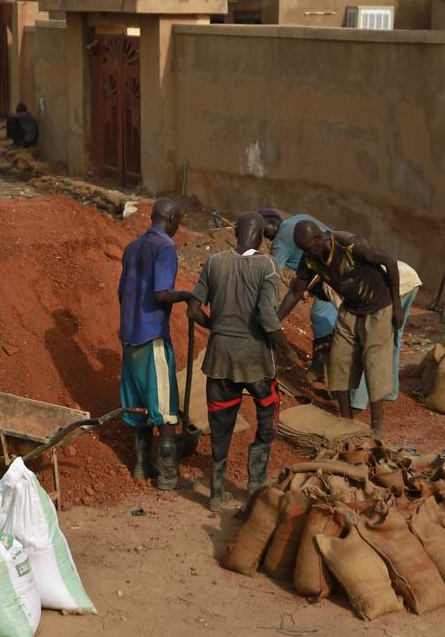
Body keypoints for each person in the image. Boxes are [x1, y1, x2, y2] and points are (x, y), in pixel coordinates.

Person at [188, 212, 288, 511]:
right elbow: (267, 317)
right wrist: (288, 352)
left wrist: (216, 328)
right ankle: (255, 485)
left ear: (236, 234)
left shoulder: (215, 262)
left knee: (221, 423)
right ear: (259, 236)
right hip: (257, 359)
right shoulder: (267, 265)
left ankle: (216, 494)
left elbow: (193, 310)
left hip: (220, 357)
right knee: (267, 417)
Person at [277, 221, 401, 438]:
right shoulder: (310, 259)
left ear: (318, 238)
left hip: (379, 307)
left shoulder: (348, 244)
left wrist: (397, 305)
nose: (307, 253)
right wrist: (274, 319)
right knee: (338, 361)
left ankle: (377, 425)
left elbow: (389, 260)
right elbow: (296, 291)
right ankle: (346, 421)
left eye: (308, 248)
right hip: (351, 309)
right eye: (304, 250)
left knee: (374, 363)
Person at [117, 197, 196, 491]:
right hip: (152, 337)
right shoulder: (165, 247)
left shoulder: (132, 247)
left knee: (137, 406)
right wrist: (187, 296)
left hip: (129, 337)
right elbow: (162, 294)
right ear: (172, 219)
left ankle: (140, 466)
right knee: (165, 409)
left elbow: (122, 294)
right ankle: (166, 476)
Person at [259, 208, 337, 371]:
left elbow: (269, 277)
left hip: (330, 275)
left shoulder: (281, 240)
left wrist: (268, 314)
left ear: (273, 223)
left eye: (263, 230)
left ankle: (322, 367)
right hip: (329, 269)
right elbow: (296, 289)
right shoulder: (300, 218)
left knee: (321, 315)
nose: (263, 236)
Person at [349, 261, 422, 413]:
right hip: (409, 278)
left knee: (371, 339)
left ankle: (358, 401)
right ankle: (390, 391)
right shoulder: (349, 275)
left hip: (402, 283)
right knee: (394, 336)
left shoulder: (348, 284)